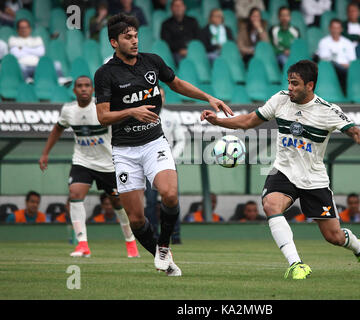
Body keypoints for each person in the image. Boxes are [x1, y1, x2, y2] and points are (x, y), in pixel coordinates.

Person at [201, 60, 360, 279]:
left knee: (334, 236)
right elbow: (249, 120)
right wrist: (219, 122)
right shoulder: (280, 99)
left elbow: (355, 132)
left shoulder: (327, 111)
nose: (290, 87)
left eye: (295, 83)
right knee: (271, 204)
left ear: (310, 85)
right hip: (284, 170)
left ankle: (359, 249)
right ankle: (296, 264)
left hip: (313, 178)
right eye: (289, 82)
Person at [94, 14, 233, 275]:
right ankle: (167, 263)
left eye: (135, 36)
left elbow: (177, 84)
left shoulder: (152, 62)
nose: (134, 41)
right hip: (124, 150)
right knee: (136, 219)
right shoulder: (105, 74)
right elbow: (102, 117)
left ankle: (164, 247)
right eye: (127, 37)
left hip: (153, 142)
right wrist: (131, 111)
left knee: (169, 194)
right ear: (114, 42)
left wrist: (208, 97)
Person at [39, 75, 140, 259]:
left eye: (87, 85)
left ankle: (130, 241)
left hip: (108, 163)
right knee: (75, 194)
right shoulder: (68, 110)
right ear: (74, 90)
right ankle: (82, 244)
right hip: (82, 160)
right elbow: (57, 129)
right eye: (80, 86)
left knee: (118, 202)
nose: (84, 89)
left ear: (93, 89)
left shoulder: (101, 107)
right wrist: (45, 153)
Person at [144, 87, 185, 244]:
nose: (159, 99)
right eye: (156, 96)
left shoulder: (171, 116)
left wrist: (172, 157)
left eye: (161, 96)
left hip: (168, 165)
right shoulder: (143, 116)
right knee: (151, 201)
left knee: (172, 199)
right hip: (149, 165)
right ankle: (153, 234)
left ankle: (175, 236)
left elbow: (181, 139)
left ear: (165, 98)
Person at [317, 19, 356, 94]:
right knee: (333, 64)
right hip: (329, 70)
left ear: (341, 29)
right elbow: (324, 61)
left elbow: (352, 62)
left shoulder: (348, 43)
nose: (335, 30)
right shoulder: (323, 42)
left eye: (337, 28)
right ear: (329, 28)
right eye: (333, 28)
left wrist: (344, 65)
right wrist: (342, 65)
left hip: (346, 70)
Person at [160, 0, 200, 65]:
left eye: (180, 5)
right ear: (171, 8)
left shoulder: (193, 21)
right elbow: (167, 42)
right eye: (176, 6)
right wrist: (180, 50)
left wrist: (190, 50)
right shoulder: (166, 24)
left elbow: (198, 38)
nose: (178, 8)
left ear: (184, 7)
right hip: (176, 53)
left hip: (193, 51)